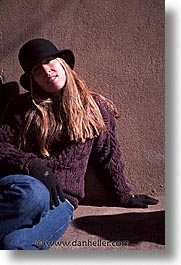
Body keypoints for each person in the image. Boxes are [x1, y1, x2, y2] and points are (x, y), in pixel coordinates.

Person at [0, 38, 158, 250]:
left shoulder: (95, 109)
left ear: (63, 63)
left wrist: (124, 196)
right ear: (32, 80)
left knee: (15, 244)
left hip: (62, 202)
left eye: (50, 61)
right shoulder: (22, 108)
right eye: (37, 70)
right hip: (25, 185)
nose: (47, 71)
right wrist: (32, 165)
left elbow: (108, 157)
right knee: (34, 194)